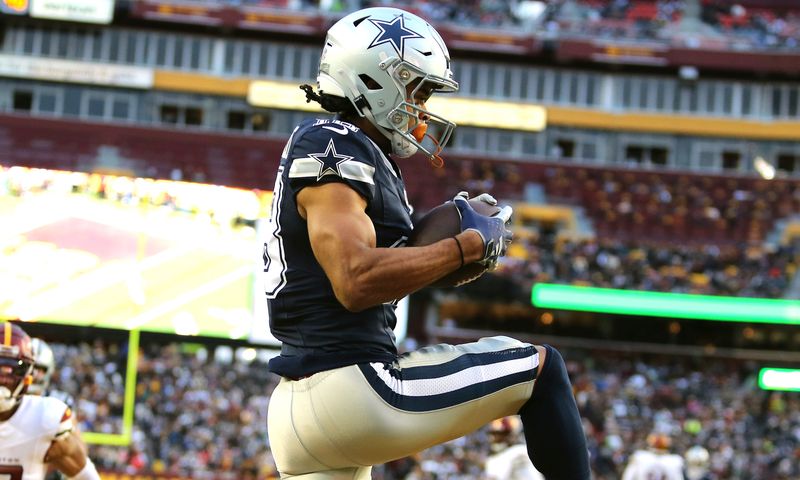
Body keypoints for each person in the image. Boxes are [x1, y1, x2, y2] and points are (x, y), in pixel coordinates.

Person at [263, 6, 590, 479]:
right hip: (352, 389)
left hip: (304, 409)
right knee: (541, 369)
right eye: (418, 88)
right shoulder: (334, 143)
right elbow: (354, 280)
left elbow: (373, 270)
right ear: (375, 77)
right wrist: (463, 247)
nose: (422, 106)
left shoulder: (350, 149)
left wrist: (440, 233)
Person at [0, 322, 101, 480]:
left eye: (14, 369)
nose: (4, 380)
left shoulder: (47, 416)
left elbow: (85, 473)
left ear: (27, 375)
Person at [29, 338, 75, 408]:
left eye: (40, 369)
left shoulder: (60, 402)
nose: (33, 373)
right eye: (28, 366)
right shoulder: (8, 398)